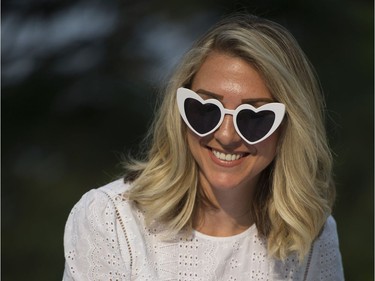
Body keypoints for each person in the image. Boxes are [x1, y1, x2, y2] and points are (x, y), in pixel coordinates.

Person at [63, 13, 344, 280]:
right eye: (206, 110)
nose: (226, 135)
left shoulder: (311, 233)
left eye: (255, 117)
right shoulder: (110, 219)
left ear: (288, 128)